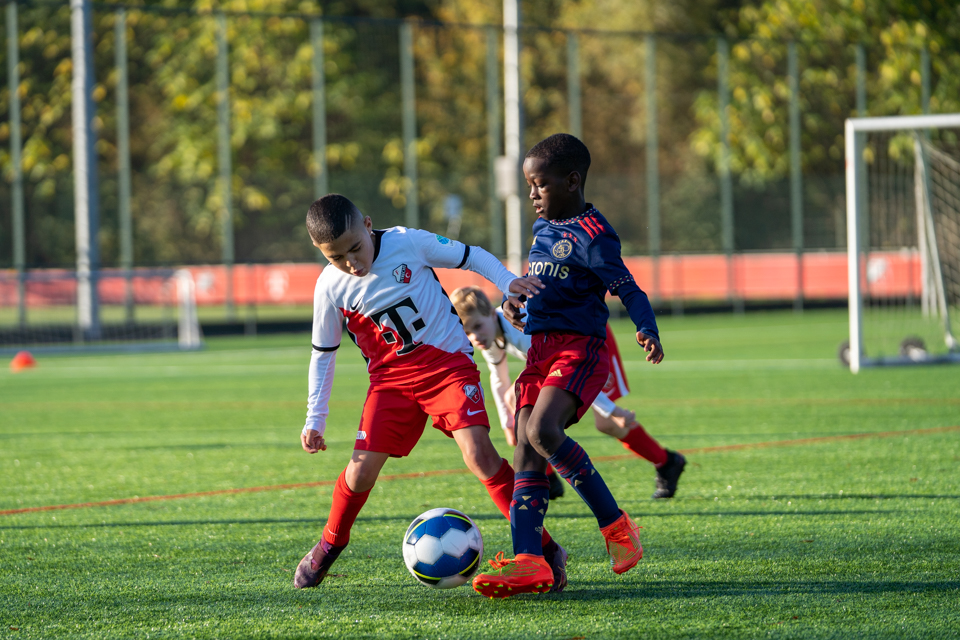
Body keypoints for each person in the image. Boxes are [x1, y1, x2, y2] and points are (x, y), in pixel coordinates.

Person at [293, 194, 571, 592]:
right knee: (358, 472)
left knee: (479, 456)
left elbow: (472, 255)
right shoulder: (329, 287)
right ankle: (330, 544)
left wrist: (509, 282)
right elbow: (323, 356)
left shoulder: (408, 242)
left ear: (368, 225)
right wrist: (314, 419)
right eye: (336, 257)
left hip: (448, 370)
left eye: (355, 247)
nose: (351, 262)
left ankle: (542, 549)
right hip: (390, 383)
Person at [471, 133, 664, 599]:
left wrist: (647, 327)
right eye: (529, 185)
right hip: (539, 350)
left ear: (572, 181)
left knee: (544, 433)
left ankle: (618, 528)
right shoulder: (543, 231)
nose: (532, 194)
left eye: (539, 184)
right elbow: (532, 287)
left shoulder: (595, 235)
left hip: (579, 349)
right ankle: (529, 562)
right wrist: (513, 307)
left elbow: (628, 288)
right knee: (524, 448)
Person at [449, 286, 685, 500]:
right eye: (467, 332)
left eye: (477, 327)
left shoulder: (520, 328)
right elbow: (498, 377)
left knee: (607, 423)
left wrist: (612, 410)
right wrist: (506, 422)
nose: (474, 337)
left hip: (591, 339)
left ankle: (666, 462)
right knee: (515, 398)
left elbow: (574, 373)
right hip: (562, 356)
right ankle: (549, 481)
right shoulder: (490, 336)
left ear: (492, 313)